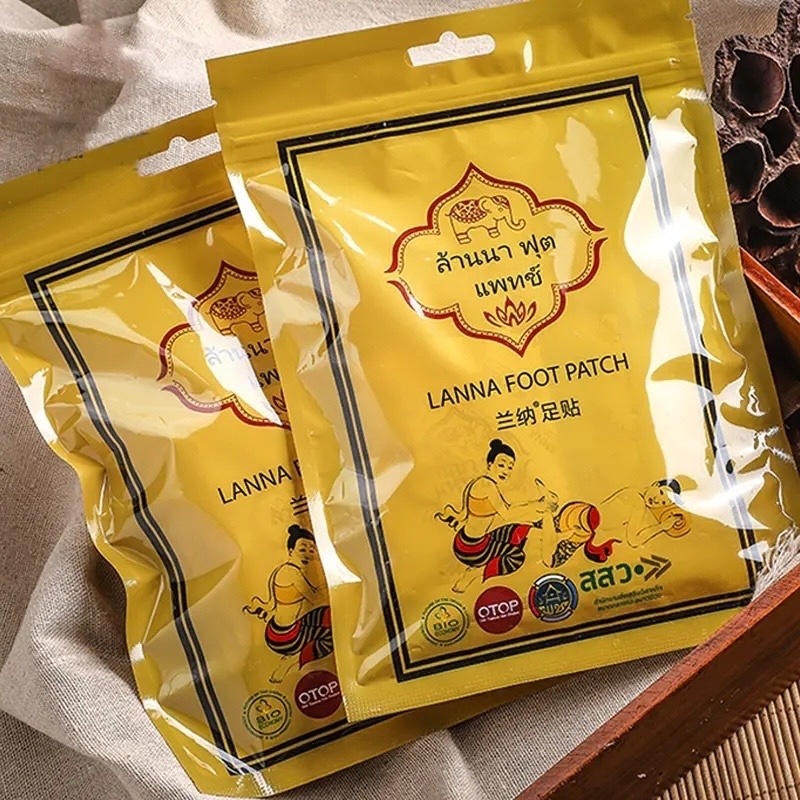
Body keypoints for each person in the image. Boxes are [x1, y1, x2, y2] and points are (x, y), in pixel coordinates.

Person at [435, 439, 558, 593]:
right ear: (490, 464)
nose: (506, 471)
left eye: (510, 467)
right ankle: (475, 573)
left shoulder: (478, 482)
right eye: (501, 465)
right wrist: (538, 506)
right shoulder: (487, 486)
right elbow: (507, 514)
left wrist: (537, 505)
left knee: (521, 531)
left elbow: (504, 509)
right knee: (516, 557)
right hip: (474, 549)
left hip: (469, 541)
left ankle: (553, 541)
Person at [243, 525, 332, 683]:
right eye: (302, 549)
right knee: (331, 632)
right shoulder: (292, 572)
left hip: (274, 631)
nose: (308, 554)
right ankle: (293, 660)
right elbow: (316, 599)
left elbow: (271, 604)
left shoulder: (280, 570)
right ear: (290, 551)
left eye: (312, 550)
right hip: (288, 637)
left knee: (327, 615)